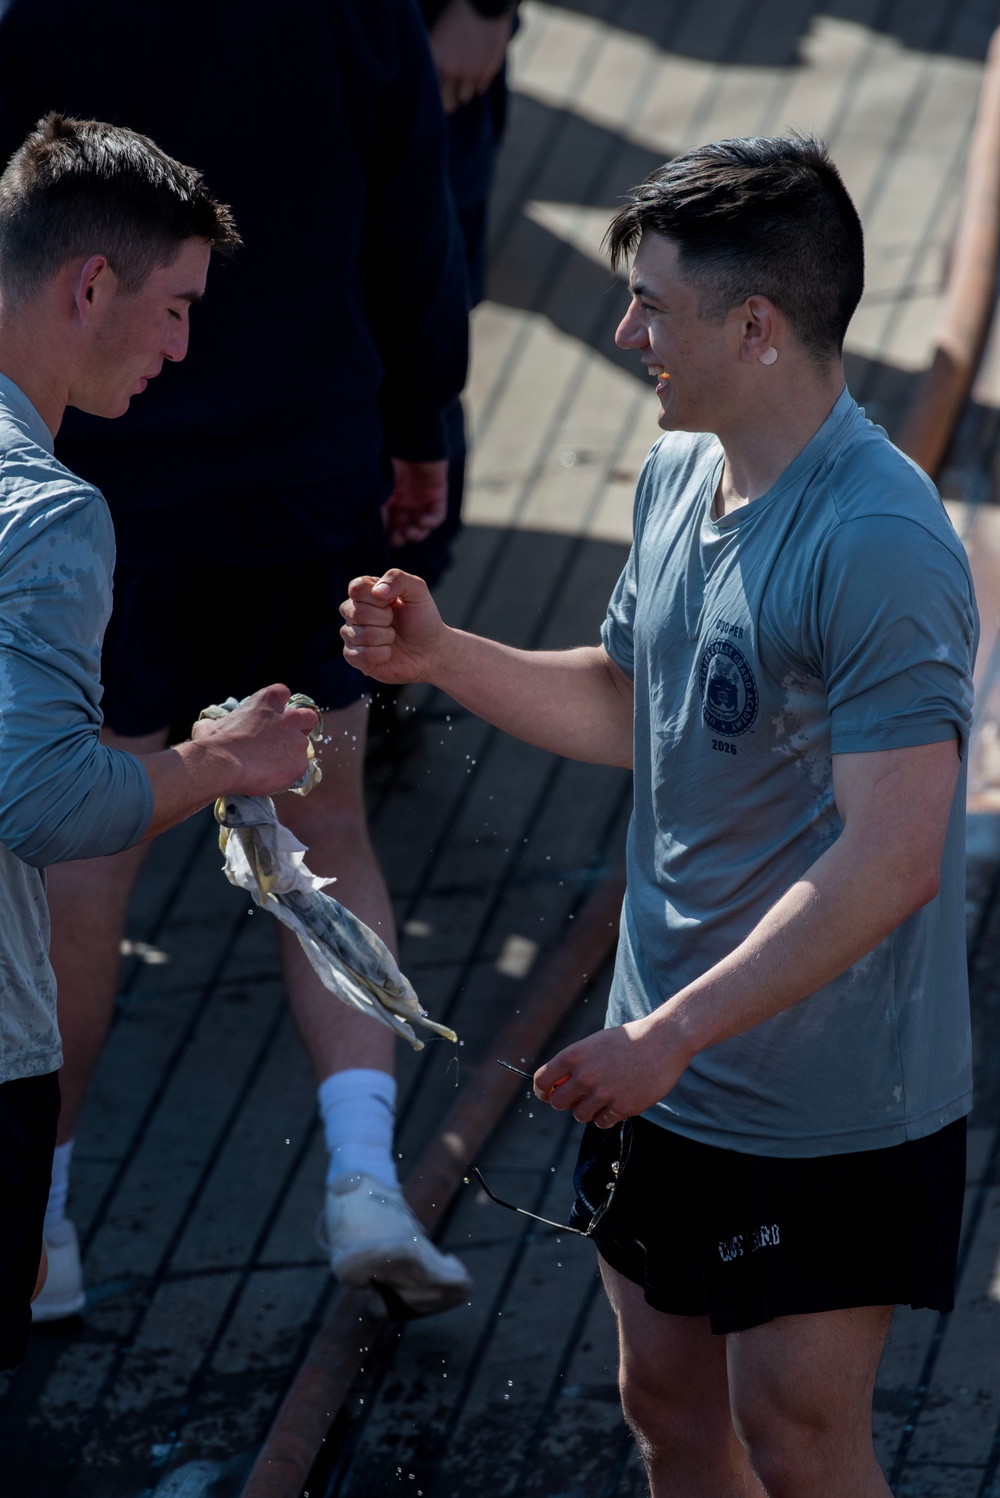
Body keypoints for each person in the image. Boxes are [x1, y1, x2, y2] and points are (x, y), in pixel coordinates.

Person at [340, 136, 978, 1496]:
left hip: (827, 1102)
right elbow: (637, 703)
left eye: (654, 306)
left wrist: (668, 1034)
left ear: (756, 325)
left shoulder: (882, 542)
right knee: (670, 1410)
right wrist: (447, 656)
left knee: (802, 1439)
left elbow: (899, 856)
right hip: (661, 1067)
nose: (624, 328)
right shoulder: (679, 472)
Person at [0, 0, 473, 1322]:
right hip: (306, 463)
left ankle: (41, 1222)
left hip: (98, 482)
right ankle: (367, 1182)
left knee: (82, 868)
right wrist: (424, 412)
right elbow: (413, 220)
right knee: (327, 826)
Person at [0, 111, 319, 1369]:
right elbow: (39, 799)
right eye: (176, 305)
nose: (186, 346)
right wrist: (223, 762)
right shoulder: (49, 519)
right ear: (91, 284)